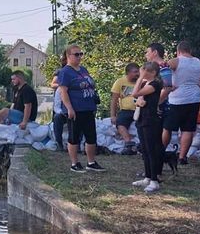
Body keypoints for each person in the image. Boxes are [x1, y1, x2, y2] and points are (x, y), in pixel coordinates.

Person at [164, 40, 200, 164]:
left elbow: (162, 70)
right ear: (190, 51)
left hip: (177, 99)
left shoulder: (175, 61)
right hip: (194, 98)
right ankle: (183, 157)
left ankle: (161, 151)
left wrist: (168, 85)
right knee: (188, 129)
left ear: (178, 51)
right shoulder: (198, 62)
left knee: (167, 128)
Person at [57, 45, 106, 173]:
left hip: (88, 107)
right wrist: (69, 108)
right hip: (75, 109)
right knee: (74, 137)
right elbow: (63, 92)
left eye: (81, 54)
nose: (79, 57)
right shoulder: (65, 72)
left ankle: (91, 162)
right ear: (68, 56)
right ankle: (75, 163)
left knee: (91, 136)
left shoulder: (83, 69)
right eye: (76, 54)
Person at [131, 62, 165, 193]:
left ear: (152, 73)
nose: (141, 73)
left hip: (151, 120)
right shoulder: (146, 84)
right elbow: (138, 98)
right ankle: (148, 176)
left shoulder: (155, 84)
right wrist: (139, 101)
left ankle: (154, 180)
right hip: (142, 118)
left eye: (144, 71)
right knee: (144, 149)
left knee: (152, 150)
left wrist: (140, 78)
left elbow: (135, 93)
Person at [110, 63, 140, 153]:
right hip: (126, 110)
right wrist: (113, 115)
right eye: (135, 72)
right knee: (120, 123)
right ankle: (129, 144)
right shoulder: (120, 82)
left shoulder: (142, 81)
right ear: (128, 73)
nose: (137, 74)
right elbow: (114, 100)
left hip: (140, 109)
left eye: (138, 71)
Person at [50, 52, 69, 151]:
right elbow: (53, 84)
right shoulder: (60, 72)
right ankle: (59, 142)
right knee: (57, 118)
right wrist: (64, 86)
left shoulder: (79, 71)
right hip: (61, 103)